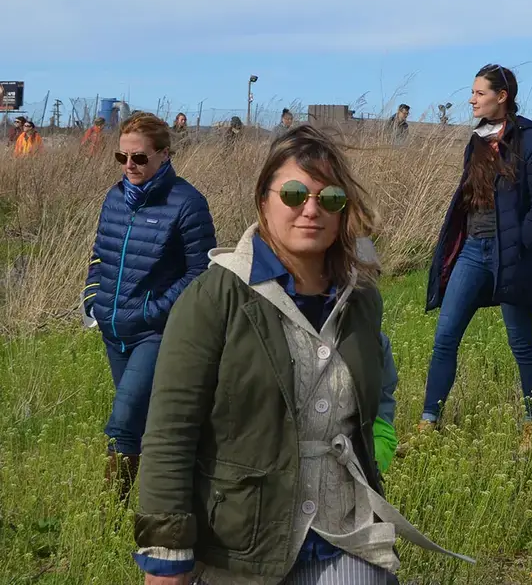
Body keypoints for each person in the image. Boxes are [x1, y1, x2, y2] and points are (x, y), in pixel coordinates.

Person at [134, 124, 469, 583]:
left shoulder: (362, 300)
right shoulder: (216, 297)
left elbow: (381, 394)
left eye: (329, 198)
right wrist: (167, 554)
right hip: (240, 547)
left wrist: (380, 448)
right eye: (293, 194)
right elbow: (170, 431)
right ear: (264, 202)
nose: (310, 209)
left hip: (343, 535)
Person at [81, 112, 215, 501]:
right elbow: (99, 255)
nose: (129, 166)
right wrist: (94, 299)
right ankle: (173, 495)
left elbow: (200, 271)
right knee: (147, 420)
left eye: (139, 158)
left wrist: (153, 312)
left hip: (153, 333)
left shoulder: (187, 203)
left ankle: (109, 516)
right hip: (112, 329)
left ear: (164, 155)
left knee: (122, 424)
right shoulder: (114, 196)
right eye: (121, 158)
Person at [423, 65, 532, 450]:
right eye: (472, 92)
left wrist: (516, 246)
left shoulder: (531, 141)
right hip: (473, 251)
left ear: (502, 96)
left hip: (512, 255)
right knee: (445, 337)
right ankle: (428, 424)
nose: (472, 99)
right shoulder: (477, 140)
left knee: (520, 342)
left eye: (479, 93)